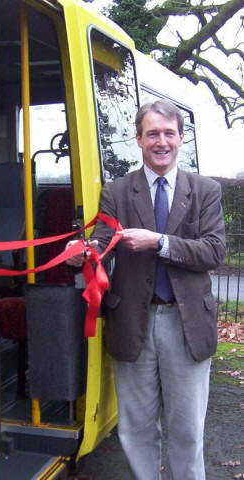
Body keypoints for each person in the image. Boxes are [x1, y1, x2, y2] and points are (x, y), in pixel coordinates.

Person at [66, 100, 226, 480]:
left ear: (181, 139)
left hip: (187, 327)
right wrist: (83, 254)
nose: (161, 142)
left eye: (169, 133)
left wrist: (159, 242)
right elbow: (102, 244)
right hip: (132, 323)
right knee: (136, 429)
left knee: (186, 431)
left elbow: (214, 251)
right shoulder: (118, 191)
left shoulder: (205, 191)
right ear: (138, 140)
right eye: (152, 133)